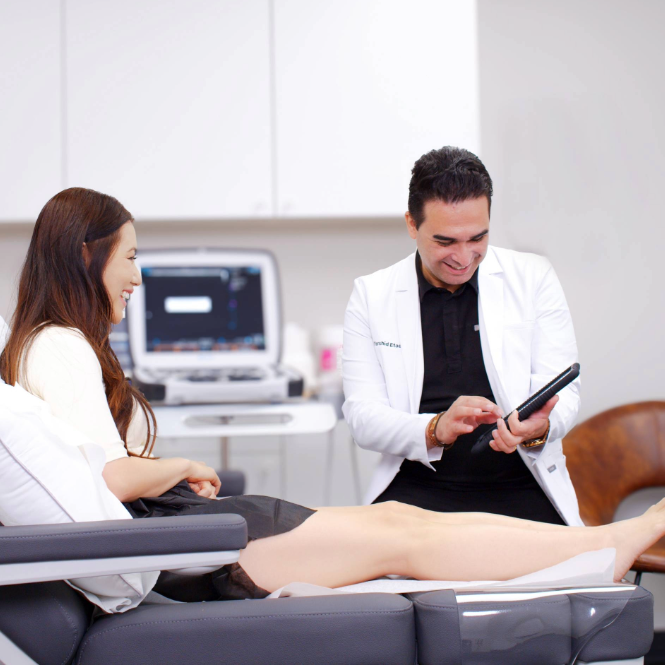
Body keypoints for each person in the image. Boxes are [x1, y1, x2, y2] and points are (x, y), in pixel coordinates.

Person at [0, 187, 658, 601]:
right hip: (180, 550)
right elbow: (109, 481)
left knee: (402, 524)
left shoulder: (50, 344)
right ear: (89, 257)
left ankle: (601, 546)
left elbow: (95, 475)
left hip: (184, 532)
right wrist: (182, 465)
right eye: (130, 256)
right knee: (404, 532)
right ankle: (611, 545)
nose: (138, 277)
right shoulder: (58, 345)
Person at [343, 146, 581, 525]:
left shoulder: (534, 279)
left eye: (477, 238)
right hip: (416, 490)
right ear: (411, 224)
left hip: (522, 486)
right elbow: (363, 418)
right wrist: (435, 428)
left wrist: (540, 429)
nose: (464, 256)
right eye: (445, 241)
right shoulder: (372, 296)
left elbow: (563, 395)